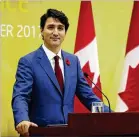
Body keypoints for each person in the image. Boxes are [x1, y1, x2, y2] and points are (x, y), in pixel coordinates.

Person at [11, 8, 110, 136]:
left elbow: (88, 97)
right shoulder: (28, 62)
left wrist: (115, 117)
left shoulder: (73, 61)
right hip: (40, 133)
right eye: (51, 27)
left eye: (60, 28)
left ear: (65, 33)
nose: (55, 32)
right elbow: (20, 96)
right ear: (41, 30)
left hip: (68, 132)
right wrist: (22, 119)